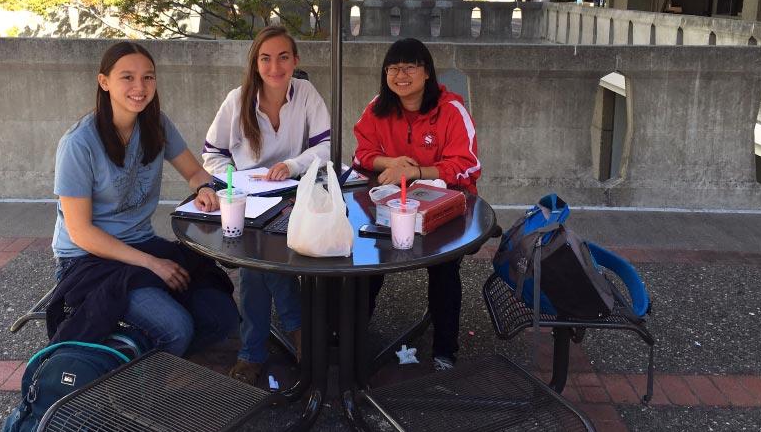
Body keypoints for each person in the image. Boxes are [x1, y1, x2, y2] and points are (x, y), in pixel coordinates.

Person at [48, 42, 238, 357]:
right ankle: (133, 385)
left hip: (141, 244)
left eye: (148, 77)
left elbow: (196, 172)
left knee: (223, 317)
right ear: (104, 82)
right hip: (88, 260)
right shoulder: (78, 144)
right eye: (127, 77)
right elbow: (80, 232)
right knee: (176, 327)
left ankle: (145, 355)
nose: (140, 87)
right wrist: (152, 264)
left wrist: (205, 189)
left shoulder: (156, 124)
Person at [203, 26, 330, 384]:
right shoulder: (237, 99)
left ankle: (252, 353)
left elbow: (325, 147)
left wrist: (292, 165)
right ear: (255, 63)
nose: (275, 66)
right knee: (258, 262)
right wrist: (237, 181)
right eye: (266, 58)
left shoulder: (306, 93)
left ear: (296, 60)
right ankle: (300, 330)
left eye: (283, 57)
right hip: (247, 200)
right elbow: (211, 155)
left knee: (256, 267)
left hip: (294, 198)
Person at [353, 37, 481, 371]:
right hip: (391, 204)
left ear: (427, 73)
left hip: (447, 207)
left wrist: (414, 172)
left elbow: (466, 164)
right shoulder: (378, 107)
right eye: (393, 68)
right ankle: (349, 338)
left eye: (410, 66)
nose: (401, 74)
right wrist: (390, 162)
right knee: (367, 260)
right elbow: (360, 155)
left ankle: (444, 350)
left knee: (444, 268)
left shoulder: (451, 110)